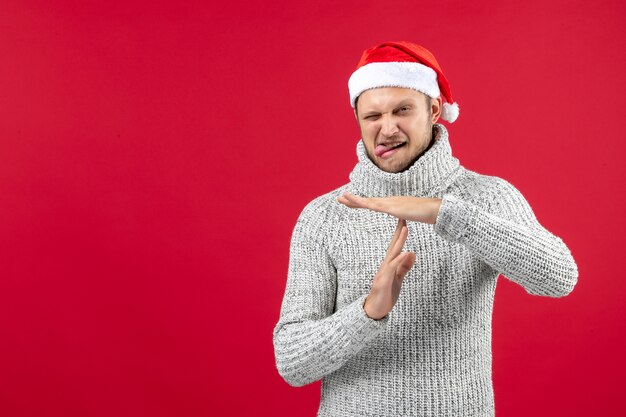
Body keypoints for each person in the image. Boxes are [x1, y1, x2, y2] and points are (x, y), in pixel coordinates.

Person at [272, 41, 578, 417]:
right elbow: (292, 362)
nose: (387, 129)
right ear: (357, 119)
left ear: (433, 110)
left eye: (402, 110)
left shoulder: (485, 197)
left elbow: (559, 277)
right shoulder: (324, 216)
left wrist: (444, 213)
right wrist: (369, 311)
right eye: (372, 116)